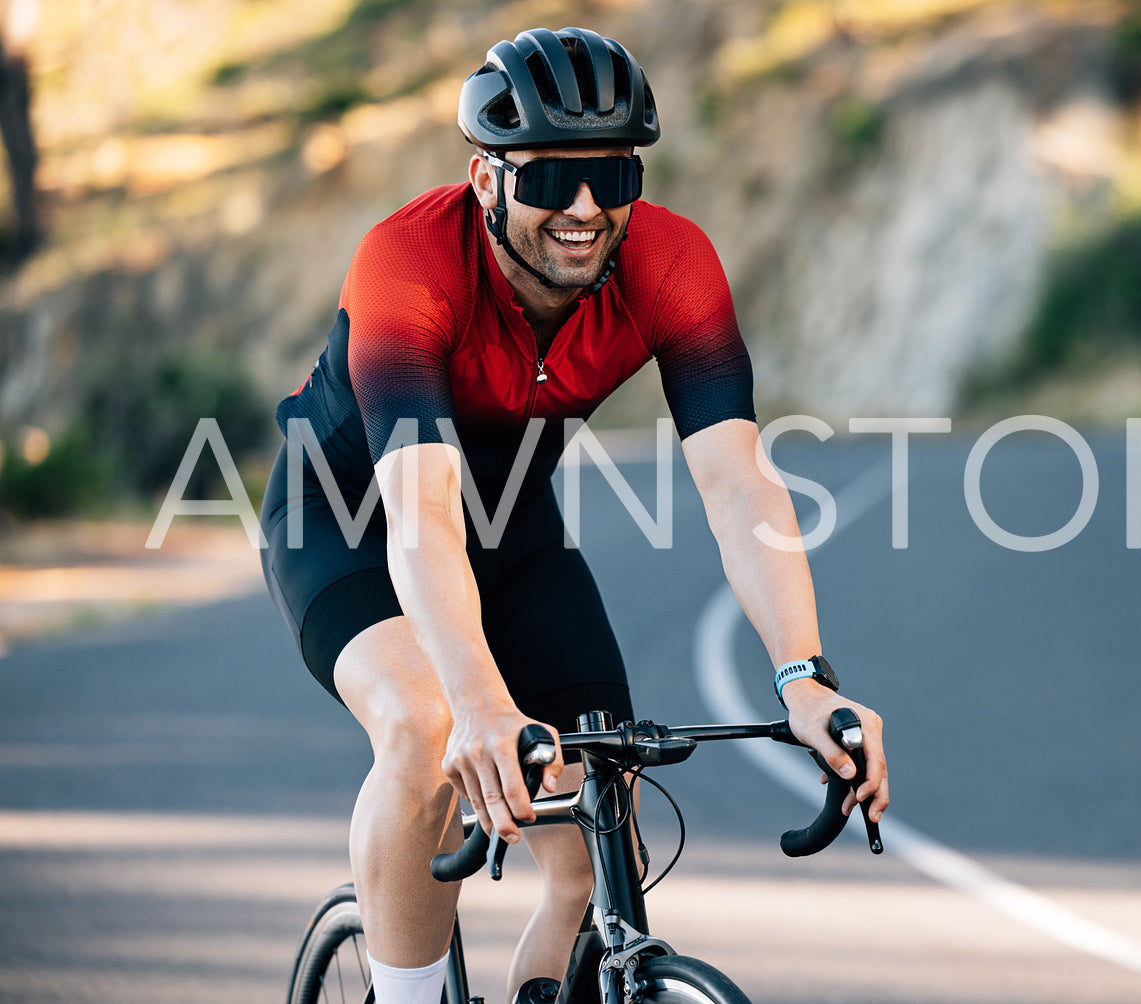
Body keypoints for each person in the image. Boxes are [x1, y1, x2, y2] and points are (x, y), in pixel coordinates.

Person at [258, 26, 888, 1004]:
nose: (585, 208)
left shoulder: (669, 264)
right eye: (551, 178)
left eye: (612, 175)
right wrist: (476, 701)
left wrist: (804, 677)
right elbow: (421, 512)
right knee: (424, 727)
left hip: (509, 530)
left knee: (601, 824)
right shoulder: (408, 266)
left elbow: (738, 483)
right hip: (350, 523)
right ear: (485, 178)